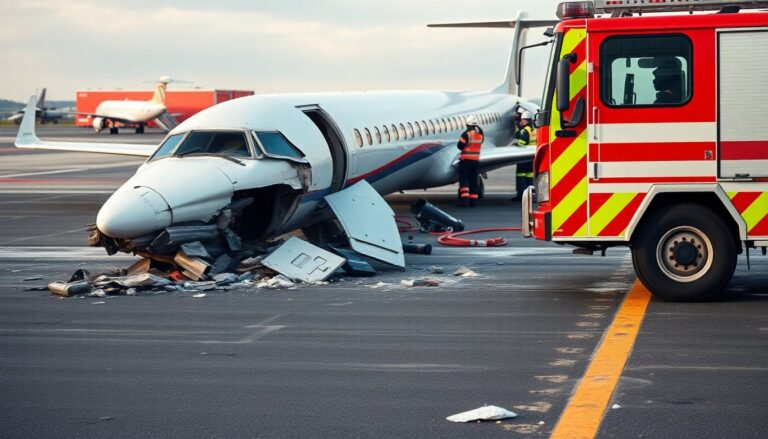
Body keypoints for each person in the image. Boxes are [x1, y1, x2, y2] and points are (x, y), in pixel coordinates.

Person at [456, 115, 484, 207]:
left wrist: (466, 132)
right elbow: (482, 138)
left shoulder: (466, 135)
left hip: (466, 160)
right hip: (475, 161)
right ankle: (474, 201)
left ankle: (464, 201)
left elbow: (459, 146)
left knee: (464, 180)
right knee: (473, 180)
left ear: (468, 125)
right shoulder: (480, 135)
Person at [513, 111, 535, 200]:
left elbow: (522, 143)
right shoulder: (534, 130)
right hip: (531, 156)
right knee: (529, 176)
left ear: (525, 120)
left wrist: (515, 145)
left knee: (520, 176)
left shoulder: (524, 131)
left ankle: (520, 195)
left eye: (522, 120)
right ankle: (530, 195)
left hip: (523, 157)